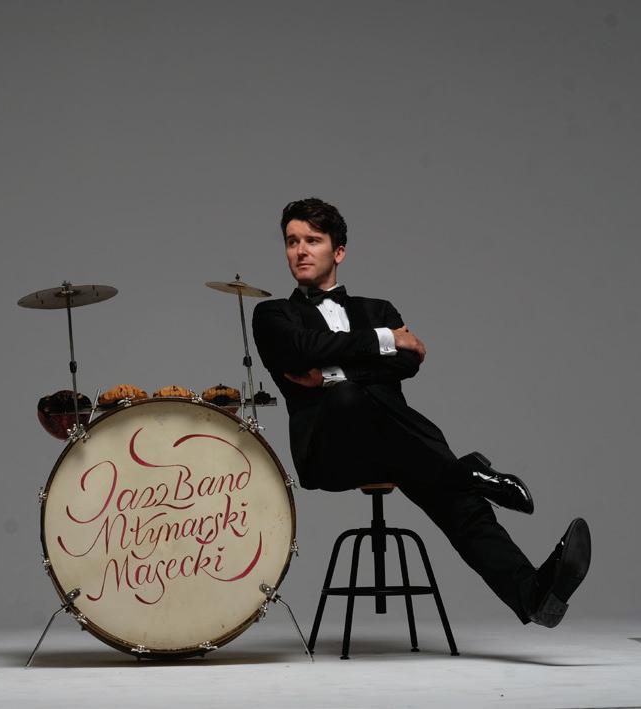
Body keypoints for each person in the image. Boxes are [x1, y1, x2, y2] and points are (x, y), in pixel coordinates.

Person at [252, 197, 589, 628]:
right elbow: (301, 348)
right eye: (291, 241)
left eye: (312, 240)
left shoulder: (378, 310)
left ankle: (535, 597)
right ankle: (468, 470)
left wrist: (331, 373)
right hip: (329, 454)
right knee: (348, 399)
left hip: (394, 449)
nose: (299, 251)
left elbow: (407, 362)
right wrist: (384, 342)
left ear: (339, 251)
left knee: (458, 502)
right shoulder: (273, 314)